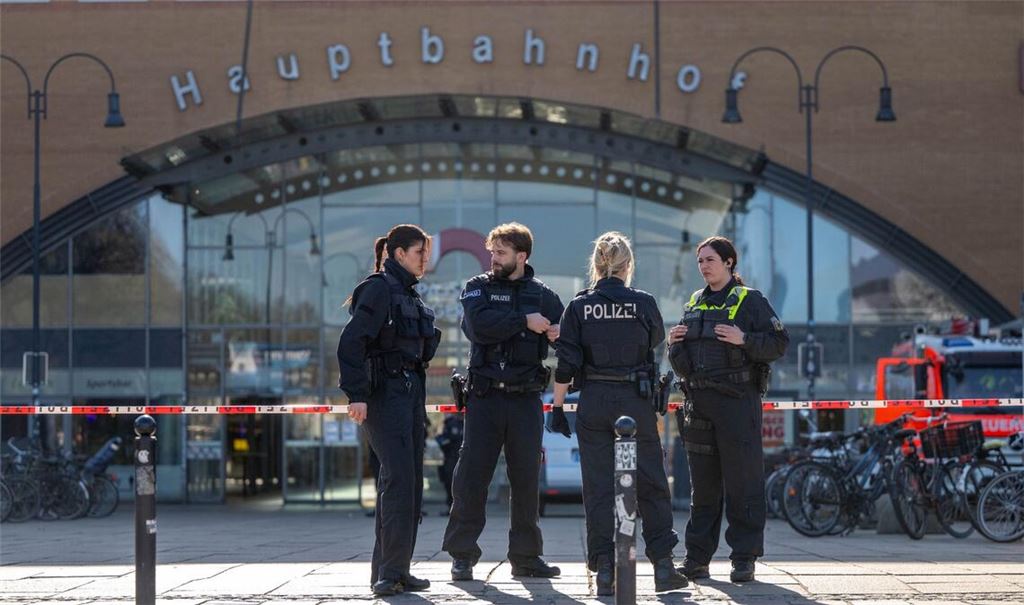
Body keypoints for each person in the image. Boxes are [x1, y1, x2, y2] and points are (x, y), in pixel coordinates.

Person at [550, 231, 689, 596]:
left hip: (594, 400)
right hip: (635, 400)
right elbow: (655, 344)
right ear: (628, 265)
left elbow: (565, 364)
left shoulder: (579, 307)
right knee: (651, 484)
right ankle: (662, 567)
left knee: (597, 488)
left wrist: (558, 407)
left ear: (596, 265)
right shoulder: (643, 304)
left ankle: (605, 570)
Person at [442, 222, 565, 581]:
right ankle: (462, 555)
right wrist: (526, 321)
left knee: (526, 480)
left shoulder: (543, 295)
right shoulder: (477, 288)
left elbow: (567, 341)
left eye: (501, 253)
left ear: (522, 256)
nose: (492, 258)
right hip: (484, 397)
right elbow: (479, 328)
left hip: (526, 399)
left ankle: (526, 558)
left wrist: (558, 334)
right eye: (492, 252)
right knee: (471, 478)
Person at [667, 236, 789, 583]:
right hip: (699, 404)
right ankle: (696, 559)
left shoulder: (751, 301)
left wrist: (744, 340)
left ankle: (744, 558)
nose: (704, 266)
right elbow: (681, 363)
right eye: (700, 261)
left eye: (710, 260)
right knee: (703, 488)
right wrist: (674, 344)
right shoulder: (693, 303)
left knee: (743, 483)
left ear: (729, 262)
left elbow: (780, 343)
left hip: (737, 402)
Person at [337, 224, 441, 596]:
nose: (424, 259)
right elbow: (351, 342)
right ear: (398, 254)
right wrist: (357, 395)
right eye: (418, 253)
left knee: (409, 484)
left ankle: (395, 569)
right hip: (385, 396)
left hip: (410, 395)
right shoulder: (379, 288)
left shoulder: (410, 295)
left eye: (425, 253)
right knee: (398, 481)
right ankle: (390, 573)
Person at [435, 413, 464, 515]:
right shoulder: (450, 423)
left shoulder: (470, 421)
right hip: (450, 458)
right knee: (450, 483)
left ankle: (464, 509)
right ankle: (451, 507)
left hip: (465, 458)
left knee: (465, 484)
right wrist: (446, 445)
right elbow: (440, 437)